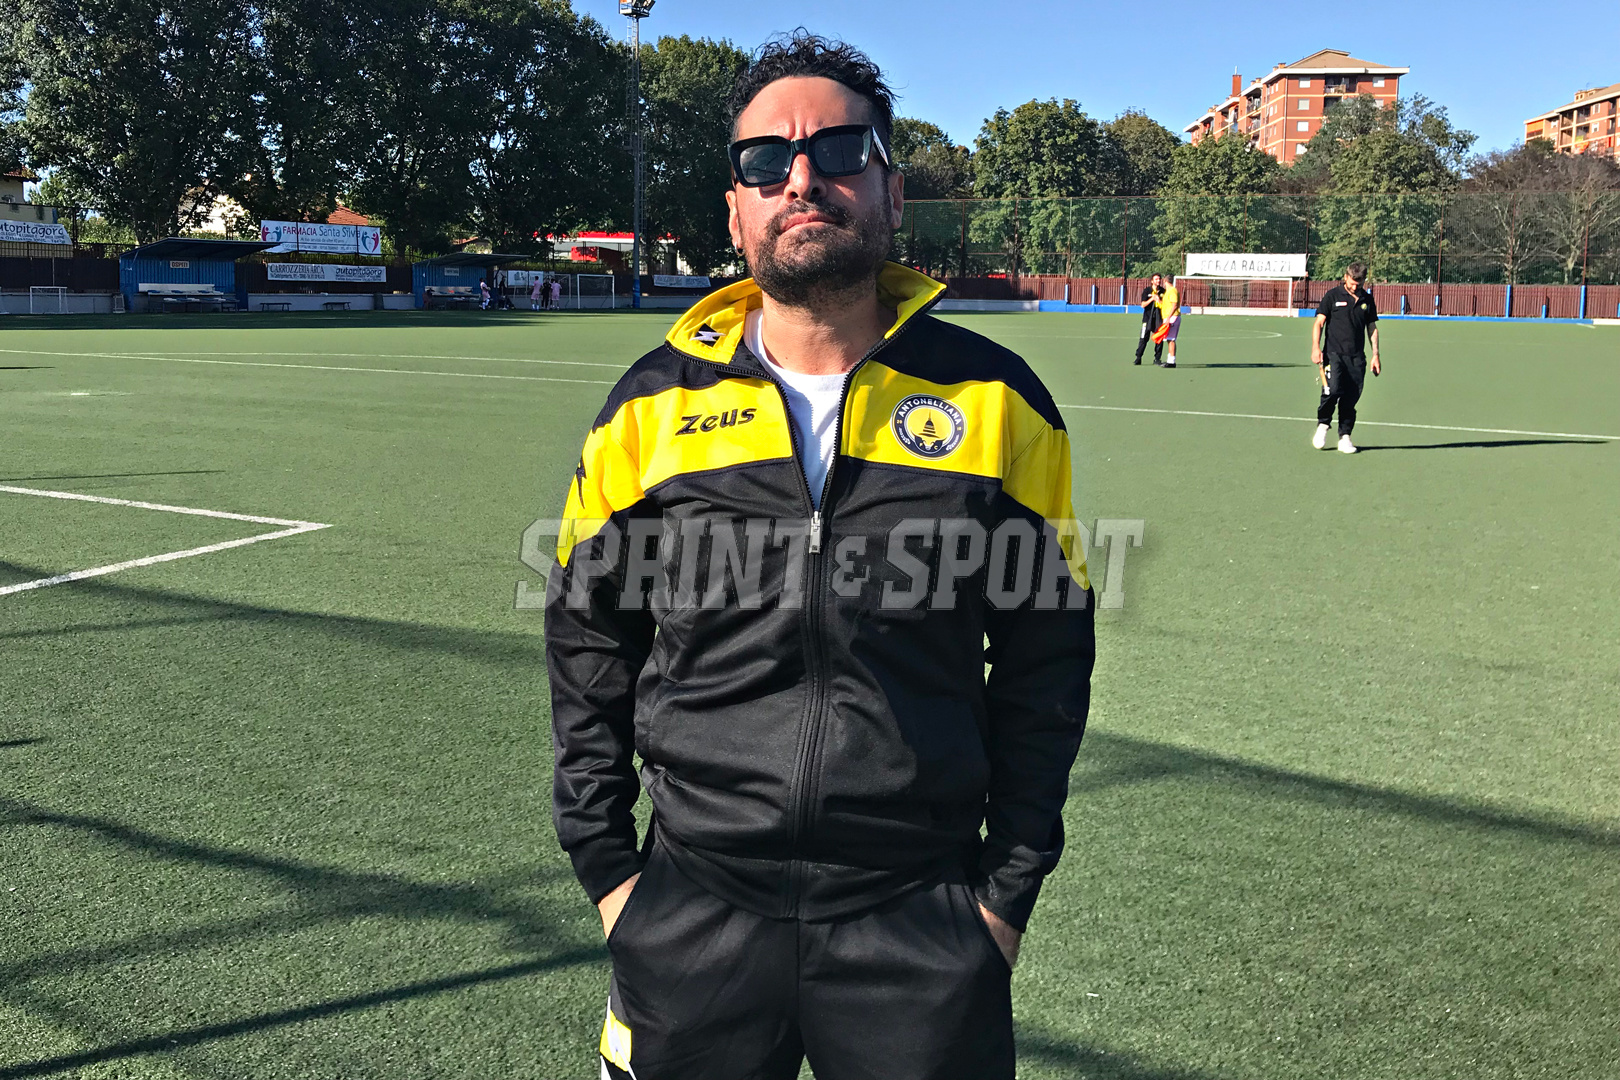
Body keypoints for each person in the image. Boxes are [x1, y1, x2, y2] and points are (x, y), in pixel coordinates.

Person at [545, 32, 1094, 1080]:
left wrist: (1003, 899)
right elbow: (586, 640)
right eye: (766, 161)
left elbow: (1048, 655)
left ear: (892, 190)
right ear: (735, 210)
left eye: (839, 152)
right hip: (690, 910)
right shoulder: (647, 407)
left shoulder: (997, 401)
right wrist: (611, 873)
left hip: (920, 921)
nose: (801, 180)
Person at [1311, 262, 1381, 453]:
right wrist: (1315, 347)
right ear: (1345, 277)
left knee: (1351, 398)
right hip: (1333, 354)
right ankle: (1323, 424)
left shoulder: (1367, 299)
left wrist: (1375, 355)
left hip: (1356, 358)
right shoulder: (1332, 296)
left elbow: (1372, 328)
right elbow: (1319, 323)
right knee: (1332, 391)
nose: (1355, 287)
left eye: (1359, 283)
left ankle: (1345, 437)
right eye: (1352, 283)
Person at [1134, 273, 1165, 366]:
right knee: (1143, 338)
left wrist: (1158, 300)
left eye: (1159, 279)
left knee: (1159, 338)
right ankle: (1138, 357)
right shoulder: (1147, 290)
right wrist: (1152, 298)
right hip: (1147, 319)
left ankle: (1157, 359)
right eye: (1156, 279)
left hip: (1159, 319)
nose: (1158, 281)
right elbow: (1143, 305)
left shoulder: (1163, 291)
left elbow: (1165, 305)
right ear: (1152, 281)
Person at [1155, 276, 1181, 367]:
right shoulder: (1168, 291)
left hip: (1172, 317)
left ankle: (1171, 361)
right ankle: (1170, 359)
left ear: (1165, 281)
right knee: (1169, 339)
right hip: (1168, 317)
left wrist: (1169, 318)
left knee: (1171, 339)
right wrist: (1158, 300)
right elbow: (1167, 305)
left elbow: (1174, 305)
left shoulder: (1172, 290)